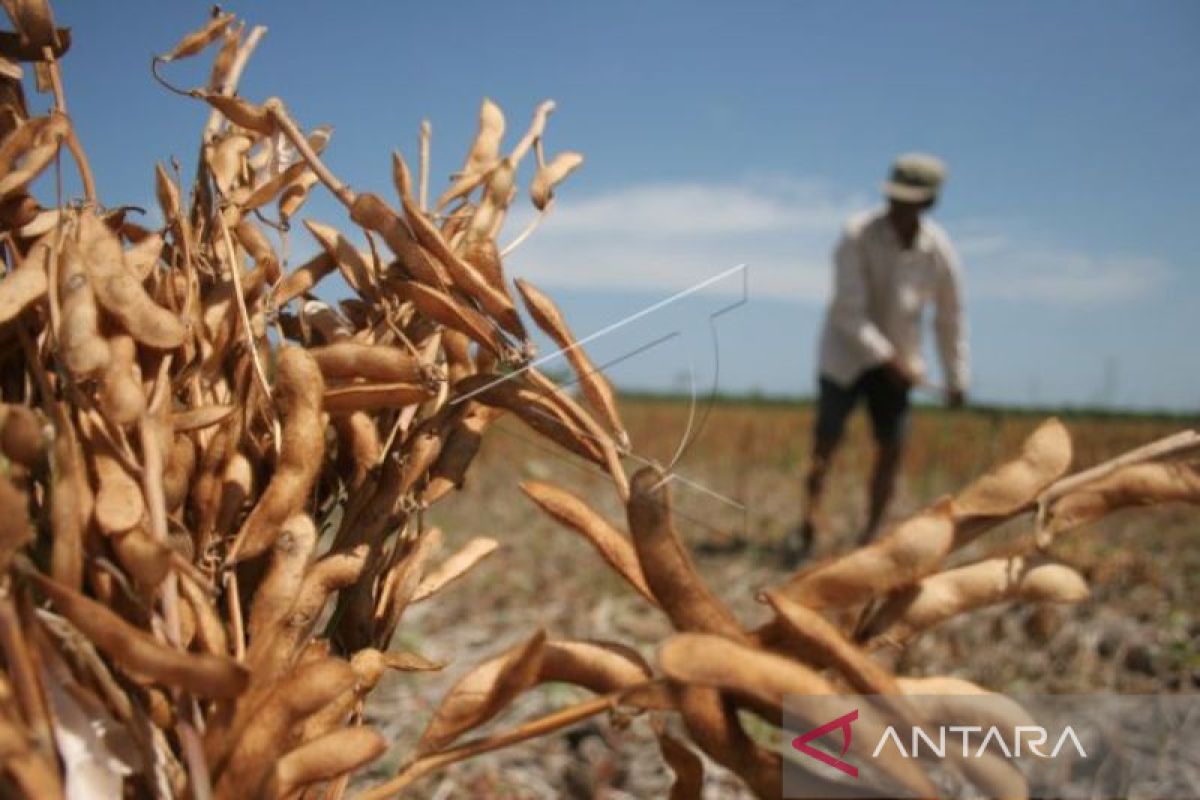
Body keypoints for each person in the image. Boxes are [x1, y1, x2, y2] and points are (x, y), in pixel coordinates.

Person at [793, 153, 969, 556]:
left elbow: (950, 318)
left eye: (909, 200)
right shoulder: (856, 235)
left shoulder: (939, 252)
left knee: (892, 448)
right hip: (845, 358)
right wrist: (887, 359)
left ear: (927, 203)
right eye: (895, 198)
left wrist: (956, 379)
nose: (899, 207)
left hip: (901, 366)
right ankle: (809, 521)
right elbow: (847, 312)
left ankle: (869, 538)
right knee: (826, 440)